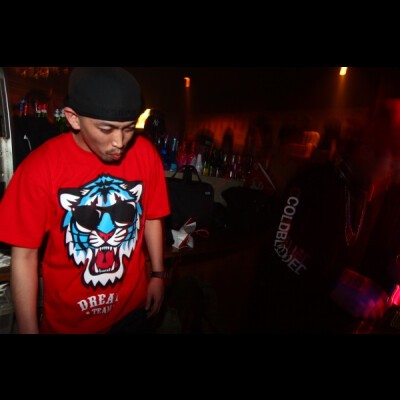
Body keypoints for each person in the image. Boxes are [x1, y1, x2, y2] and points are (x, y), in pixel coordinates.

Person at [0, 67, 171, 334]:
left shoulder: (145, 154)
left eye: (128, 128)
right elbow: (24, 256)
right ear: (73, 118)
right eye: (106, 129)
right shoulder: (40, 168)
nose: (119, 142)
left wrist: (158, 274)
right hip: (69, 324)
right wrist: (28, 329)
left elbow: (151, 216)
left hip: (131, 313)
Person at [256, 100, 399, 333]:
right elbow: (280, 245)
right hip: (289, 316)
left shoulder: (376, 197)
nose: (393, 173)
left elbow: (378, 256)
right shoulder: (312, 182)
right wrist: (332, 281)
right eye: (391, 163)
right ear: (369, 151)